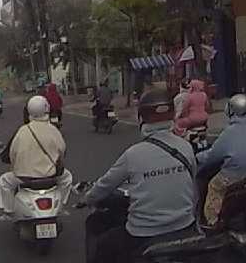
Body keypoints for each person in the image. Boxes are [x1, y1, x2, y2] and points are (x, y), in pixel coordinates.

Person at [83, 88, 198, 262]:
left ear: (141, 117)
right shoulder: (186, 147)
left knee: (103, 243)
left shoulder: (133, 154)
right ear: (172, 116)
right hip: (186, 227)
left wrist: (87, 199)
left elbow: (105, 185)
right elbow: (192, 184)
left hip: (143, 234)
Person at [0, 96, 72, 221]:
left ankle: (8, 211)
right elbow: (62, 150)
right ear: (47, 109)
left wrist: (16, 167)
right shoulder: (53, 130)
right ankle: (61, 207)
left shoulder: (22, 131)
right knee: (67, 177)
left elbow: (12, 154)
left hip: (24, 177)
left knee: (4, 181)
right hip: (50, 177)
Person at [197, 93, 246, 227]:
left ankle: (212, 223)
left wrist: (198, 157)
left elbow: (213, 156)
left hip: (231, 176)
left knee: (214, 187)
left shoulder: (229, 132)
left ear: (231, 109)